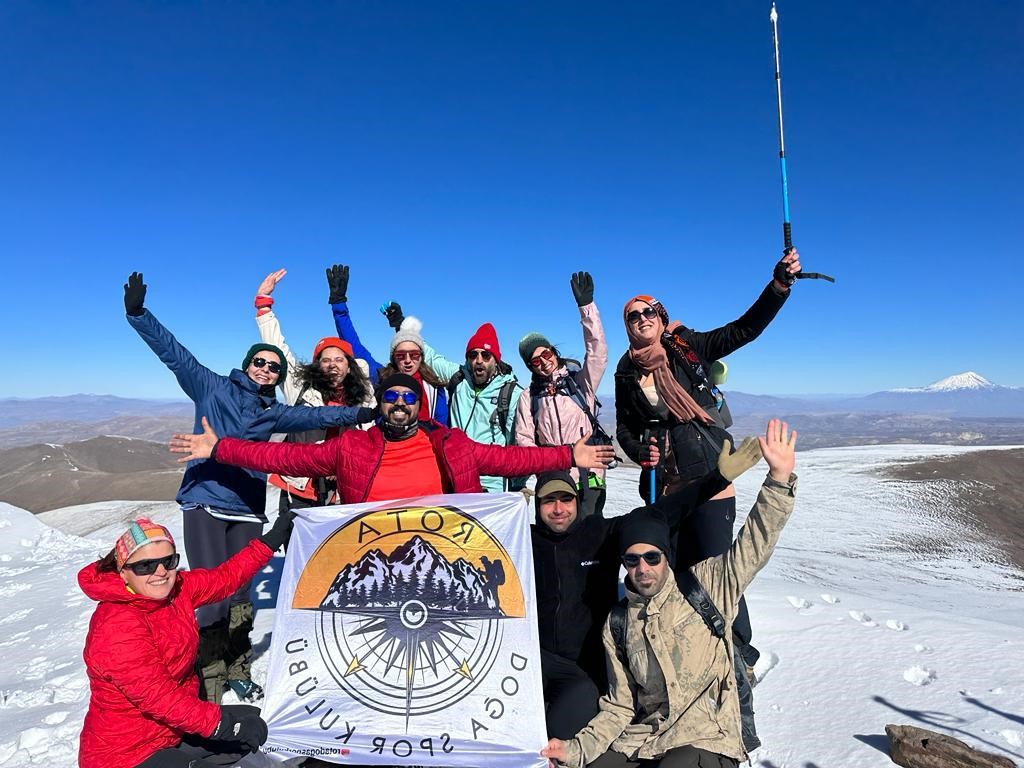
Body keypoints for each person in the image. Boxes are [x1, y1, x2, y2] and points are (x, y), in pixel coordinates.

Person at [123, 272, 374, 704]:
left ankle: (237, 666)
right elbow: (174, 354)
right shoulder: (211, 387)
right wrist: (138, 314)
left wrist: (368, 414)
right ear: (248, 364)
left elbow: (317, 417)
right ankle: (209, 674)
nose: (266, 369)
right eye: (260, 362)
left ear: (278, 377)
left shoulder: (274, 412)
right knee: (210, 591)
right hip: (205, 501)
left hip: (247, 508)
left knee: (241, 591)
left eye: (274, 367)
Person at [541, 419, 798, 768]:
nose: (643, 568)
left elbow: (756, 542)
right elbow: (619, 706)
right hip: (648, 738)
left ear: (666, 555)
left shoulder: (707, 586)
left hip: (706, 736)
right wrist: (575, 751)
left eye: (652, 557)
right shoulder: (619, 623)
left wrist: (779, 479)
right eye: (632, 560)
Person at [613, 251, 801, 675]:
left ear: (661, 317)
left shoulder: (686, 347)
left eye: (648, 312)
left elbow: (744, 329)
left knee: (720, 567)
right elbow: (625, 426)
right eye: (632, 316)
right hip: (665, 486)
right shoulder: (626, 370)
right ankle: (689, 649)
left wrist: (779, 286)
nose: (641, 319)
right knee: (675, 569)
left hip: (712, 479)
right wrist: (640, 451)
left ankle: (740, 654)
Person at [170, 372, 615, 502]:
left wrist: (569, 455)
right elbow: (284, 460)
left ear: (418, 405)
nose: (399, 402)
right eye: (391, 396)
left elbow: (508, 460)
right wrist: (220, 447)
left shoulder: (450, 443)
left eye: (408, 396)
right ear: (380, 404)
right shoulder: (351, 447)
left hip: (443, 554)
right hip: (372, 556)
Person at [78, 513, 292, 768]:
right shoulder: (117, 626)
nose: (160, 572)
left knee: (257, 720)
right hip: (127, 754)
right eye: (145, 566)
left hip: (172, 731)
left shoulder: (176, 590)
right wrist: (224, 726)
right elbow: (160, 698)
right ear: (123, 572)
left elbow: (225, 577)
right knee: (235, 732)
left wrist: (269, 542)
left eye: (168, 561)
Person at [253, 268, 376, 511]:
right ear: (317, 365)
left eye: (339, 359)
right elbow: (278, 347)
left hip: (346, 489)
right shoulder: (300, 388)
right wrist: (264, 305)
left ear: (349, 366)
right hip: (300, 487)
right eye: (325, 360)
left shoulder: (363, 395)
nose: (332, 365)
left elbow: (370, 440)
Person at [516, 271, 609, 518]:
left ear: (554, 352)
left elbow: (597, 352)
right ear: (530, 367)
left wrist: (586, 307)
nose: (543, 362)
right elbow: (525, 441)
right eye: (535, 361)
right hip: (552, 480)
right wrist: (547, 468)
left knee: (590, 535)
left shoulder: (580, 382)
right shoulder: (528, 397)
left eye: (546, 354)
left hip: (588, 477)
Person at [325, 264, 449, 423]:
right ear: (393, 357)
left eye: (414, 355)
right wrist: (339, 305)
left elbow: (440, 426)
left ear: (421, 357)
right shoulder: (383, 377)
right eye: (401, 355)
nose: (408, 360)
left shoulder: (433, 387)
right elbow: (354, 347)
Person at [419, 321, 524, 492]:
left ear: (496, 361)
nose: (479, 361)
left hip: (491, 485)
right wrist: (402, 326)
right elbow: (431, 358)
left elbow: (517, 443)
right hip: (455, 476)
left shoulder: (511, 393)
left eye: (486, 355)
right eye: (473, 355)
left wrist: (518, 485)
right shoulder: (459, 378)